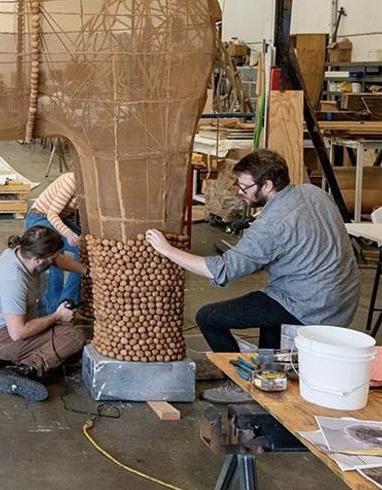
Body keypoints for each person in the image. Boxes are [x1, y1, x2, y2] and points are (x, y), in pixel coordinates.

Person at [146, 149, 360, 404]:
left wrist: (166, 250)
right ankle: (267, 377)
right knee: (266, 312)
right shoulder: (313, 192)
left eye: (244, 186)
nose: (239, 191)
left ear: (267, 185)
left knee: (209, 317)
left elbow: (221, 270)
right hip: (344, 295)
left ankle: (240, 384)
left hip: (310, 304)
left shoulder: (272, 226)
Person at [0, 226, 87, 402]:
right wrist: (56, 316)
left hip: (7, 326)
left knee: (70, 350)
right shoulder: (13, 281)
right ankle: (26, 370)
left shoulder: (22, 252)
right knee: (75, 336)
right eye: (52, 258)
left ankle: (2, 359)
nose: (56, 260)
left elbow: (57, 260)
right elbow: (18, 332)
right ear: (38, 260)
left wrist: (86, 271)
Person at [25, 171, 83, 312]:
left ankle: (68, 300)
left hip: (61, 218)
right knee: (53, 255)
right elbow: (52, 214)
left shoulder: (90, 185)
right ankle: (53, 308)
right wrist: (68, 233)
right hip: (40, 217)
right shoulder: (72, 181)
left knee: (85, 249)